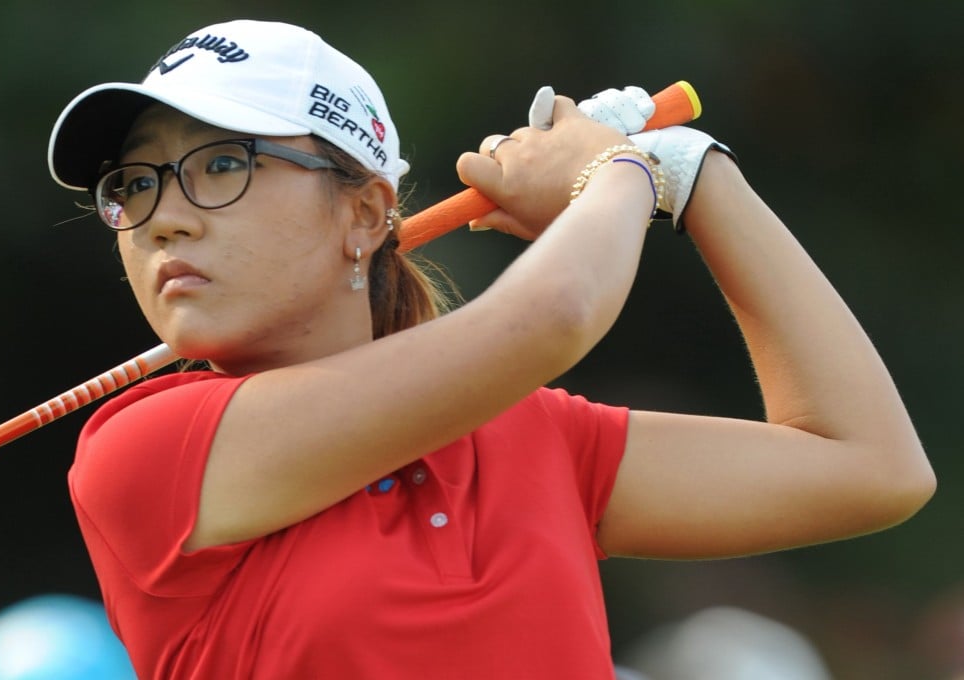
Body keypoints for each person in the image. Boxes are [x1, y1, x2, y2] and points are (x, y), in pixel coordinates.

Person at [46, 18, 935, 680]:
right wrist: (618, 171)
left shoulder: (537, 440)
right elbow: (553, 318)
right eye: (134, 183)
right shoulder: (142, 450)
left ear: (362, 214)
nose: (163, 215)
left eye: (221, 164)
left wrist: (695, 171)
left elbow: (872, 467)